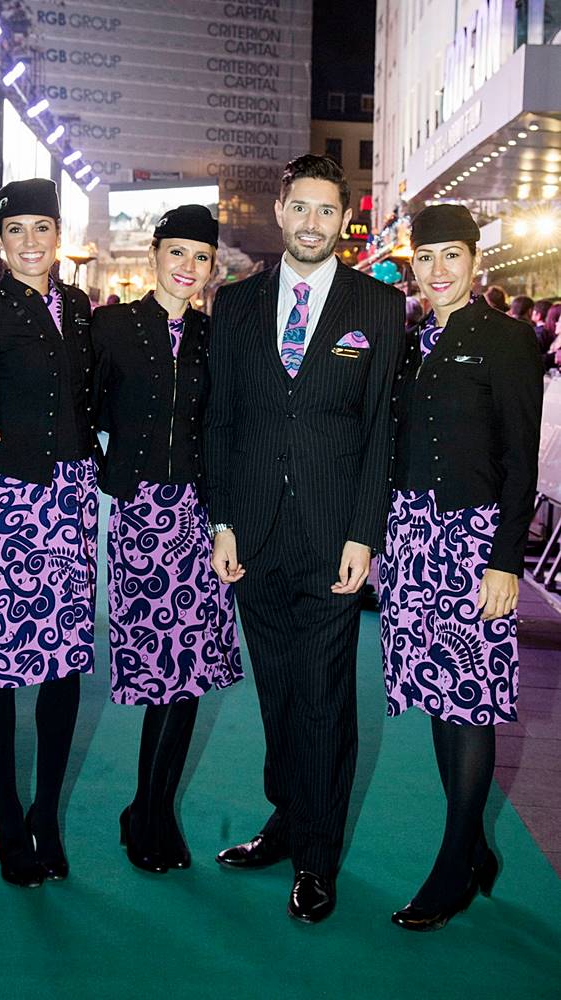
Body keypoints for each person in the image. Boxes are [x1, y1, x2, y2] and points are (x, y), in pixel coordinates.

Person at [205, 154, 405, 923]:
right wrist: (222, 520)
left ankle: (317, 858)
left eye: (329, 211)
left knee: (323, 698)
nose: (315, 223)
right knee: (279, 691)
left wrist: (366, 532)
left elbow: (382, 427)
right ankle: (286, 820)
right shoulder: (238, 305)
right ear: (280, 211)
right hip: (252, 534)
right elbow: (220, 419)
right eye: (303, 209)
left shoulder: (378, 308)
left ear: (343, 221)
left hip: (332, 538)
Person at [379, 204, 543, 931]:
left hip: (475, 541)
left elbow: (521, 464)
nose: (438, 270)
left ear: (476, 263)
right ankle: (473, 846)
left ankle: (452, 866)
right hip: (415, 538)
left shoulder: (508, 341)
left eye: (452, 256)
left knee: (468, 700)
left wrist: (505, 560)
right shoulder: (412, 340)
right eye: (426, 258)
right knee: (438, 696)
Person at [0, 178, 99, 888]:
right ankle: (8, 820)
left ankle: (45, 814)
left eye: (44, 228)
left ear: (58, 233)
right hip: (3, 506)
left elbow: (93, 396)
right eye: (18, 231)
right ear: (0, 240)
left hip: (69, 504)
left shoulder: (79, 307)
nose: (32, 243)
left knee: (65, 664)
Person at [91, 205, 242, 874]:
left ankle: (151, 810)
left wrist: (225, 522)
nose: (187, 266)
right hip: (141, 522)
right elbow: (73, 405)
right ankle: (145, 810)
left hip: (201, 519)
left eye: (200, 256)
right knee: (160, 670)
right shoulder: (113, 327)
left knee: (192, 673)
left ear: (212, 268)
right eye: (176, 251)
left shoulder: (216, 337)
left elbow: (229, 431)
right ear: (153, 254)